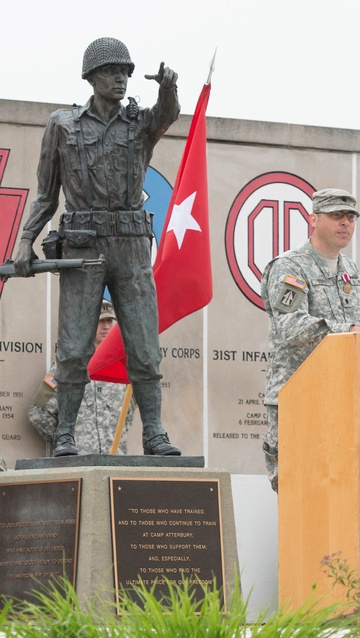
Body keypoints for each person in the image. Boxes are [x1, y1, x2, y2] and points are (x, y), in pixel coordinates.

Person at [10, 37, 180, 457]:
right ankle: (65, 431)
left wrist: (168, 88)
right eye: (111, 71)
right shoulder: (63, 125)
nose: (120, 78)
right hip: (83, 246)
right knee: (73, 347)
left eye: (125, 71)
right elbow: (46, 194)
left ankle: (154, 433)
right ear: (91, 77)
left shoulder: (139, 123)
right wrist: (26, 240)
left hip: (132, 247)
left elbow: (166, 116)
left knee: (143, 345)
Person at [261, 188, 360, 492]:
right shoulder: (290, 266)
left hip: (345, 400)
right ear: (314, 219)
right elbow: (291, 326)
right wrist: (352, 331)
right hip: (299, 396)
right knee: (299, 489)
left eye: (350, 217)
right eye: (336, 216)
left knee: (342, 490)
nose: (345, 223)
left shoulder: (351, 271)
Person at [28, 300, 136, 455]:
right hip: (77, 463)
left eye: (109, 321)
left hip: (114, 463)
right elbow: (38, 414)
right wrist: (66, 440)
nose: (106, 326)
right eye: (100, 321)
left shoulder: (122, 367)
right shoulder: (68, 367)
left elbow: (128, 415)